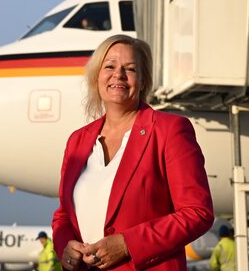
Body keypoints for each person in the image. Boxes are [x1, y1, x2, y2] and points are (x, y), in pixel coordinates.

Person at [52, 34, 214, 271]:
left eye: (130, 69)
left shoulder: (169, 130)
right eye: (109, 66)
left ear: (143, 80)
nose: (118, 74)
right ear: (97, 75)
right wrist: (66, 247)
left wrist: (128, 244)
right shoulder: (78, 140)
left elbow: (197, 212)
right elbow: (64, 215)